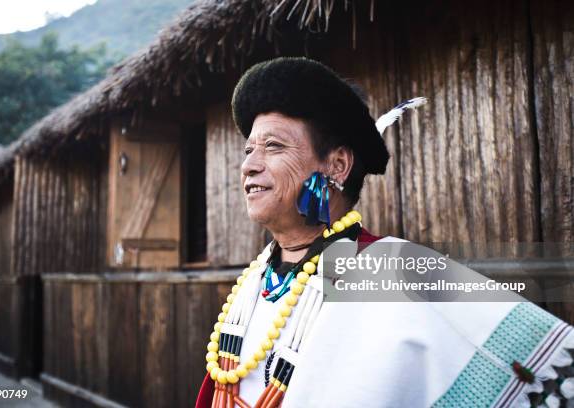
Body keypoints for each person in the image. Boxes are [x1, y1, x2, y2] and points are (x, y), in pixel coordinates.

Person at [196, 57, 574, 407]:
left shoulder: (393, 270)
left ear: (338, 165)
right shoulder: (255, 282)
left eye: (273, 146)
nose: (249, 165)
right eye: (248, 150)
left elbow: (543, 368)